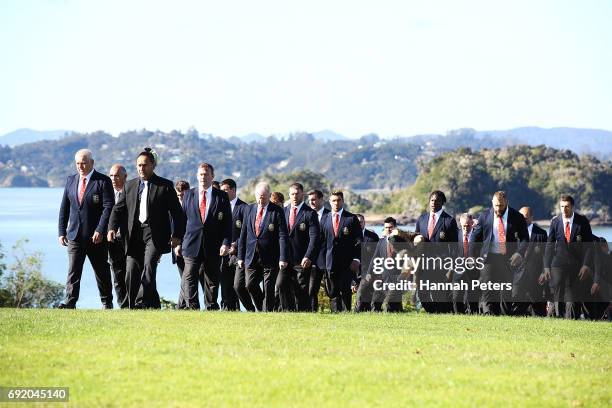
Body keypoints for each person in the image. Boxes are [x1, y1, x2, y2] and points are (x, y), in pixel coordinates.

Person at [108, 148, 184, 309]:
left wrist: (177, 235)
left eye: (145, 165)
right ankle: (134, 306)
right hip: (134, 234)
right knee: (131, 272)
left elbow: (178, 213)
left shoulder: (165, 186)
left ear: (153, 166)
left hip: (155, 235)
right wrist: (111, 228)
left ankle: (142, 303)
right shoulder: (129, 186)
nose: (141, 168)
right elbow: (118, 209)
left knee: (149, 267)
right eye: (139, 165)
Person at [58, 149, 114, 309]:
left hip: (96, 237)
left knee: (101, 271)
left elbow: (108, 207)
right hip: (74, 236)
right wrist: (61, 232)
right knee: (73, 272)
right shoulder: (70, 180)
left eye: (83, 162)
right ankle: (70, 302)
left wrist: (100, 230)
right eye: (77, 163)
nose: (80, 166)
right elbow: (64, 208)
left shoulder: (102, 181)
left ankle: (107, 303)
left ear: (92, 163)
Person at [176, 163, 232, 310]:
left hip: (213, 245)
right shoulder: (188, 194)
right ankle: (193, 307)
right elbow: (182, 221)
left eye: (206, 174)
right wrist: (177, 243)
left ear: (212, 176)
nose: (203, 177)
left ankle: (211, 306)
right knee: (189, 277)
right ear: (197, 176)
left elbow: (227, 223)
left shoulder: (222, 196)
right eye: (200, 174)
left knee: (212, 280)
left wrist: (226, 243)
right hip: (191, 244)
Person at [470, 191, 529, 315]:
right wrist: (471, 257)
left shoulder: (517, 217)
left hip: (508, 258)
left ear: (506, 202)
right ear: (492, 203)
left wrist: (519, 253)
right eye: (495, 205)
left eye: (500, 206)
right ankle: (488, 314)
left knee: (505, 290)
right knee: (487, 288)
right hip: (488, 258)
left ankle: (504, 315)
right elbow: (475, 238)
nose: (498, 209)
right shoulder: (484, 216)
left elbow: (525, 239)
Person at [237, 182, 289, 312]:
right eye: (259, 197)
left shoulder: (277, 211)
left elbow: (283, 235)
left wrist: (283, 257)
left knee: (269, 288)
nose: (261, 200)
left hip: (271, 256)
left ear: (269, 196)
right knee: (250, 285)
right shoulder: (249, 209)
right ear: (255, 195)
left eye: (264, 197)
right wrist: (240, 257)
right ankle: (262, 309)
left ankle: (267, 312)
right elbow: (243, 234)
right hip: (251, 255)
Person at [543, 195, 594, 319]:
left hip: (576, 264)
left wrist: (586, 264)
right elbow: (549, 245)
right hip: (558, 264)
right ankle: (557, 317)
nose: (564, 209)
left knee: (573, 294)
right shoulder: (555, 222)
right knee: (558, 291)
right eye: (561, 206)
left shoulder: (582, 221)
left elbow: (589, 246)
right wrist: (546, 266)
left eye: (567, 207)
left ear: (572, 207)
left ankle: (572, 318)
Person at [414, 190, 458, 313]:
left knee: (439, 295)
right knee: (422, 294)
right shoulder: (421, 219)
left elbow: (454, 249)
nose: (433, 202)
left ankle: (443, 316)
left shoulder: (449, 221)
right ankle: (432, 313)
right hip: (423, 264)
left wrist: (451, 269)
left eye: (437, 200)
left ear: (442, 203)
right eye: (432, 200)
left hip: (441, 265)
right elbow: (415, 241)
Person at [319, 191, 361, 312]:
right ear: (330, 202)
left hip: (347, 262)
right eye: (333, 200)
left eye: (338, 200)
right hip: (329, 262)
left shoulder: (351, 218)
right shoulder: (324, 218)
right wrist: (321, 262)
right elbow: (320, 242)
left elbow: (359, 241)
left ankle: (346, 312)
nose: (336, 203)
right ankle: (335, 313)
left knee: (345, 289)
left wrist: (356, 259)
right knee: (332, 291)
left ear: (342, 201)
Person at [283, 183, 320, 311]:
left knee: (301, 290)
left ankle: (304, 314)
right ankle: (289, 311)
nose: (294, 196)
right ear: (289, 195)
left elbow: (314, 237)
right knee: (283, 285)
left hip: (302, 259)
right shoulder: (283, 211)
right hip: (285, 258)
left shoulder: (309, 213)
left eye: (297, 193)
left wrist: (308, 256)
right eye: (292, 194)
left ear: (302, 194)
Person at [217, 178, 250, 311]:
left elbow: (246, 231)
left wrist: (235, 245)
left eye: (225, 190)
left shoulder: (244, 208)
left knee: (238, 285)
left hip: (238, 253)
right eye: (222, 191)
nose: (223, 193)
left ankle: (251, 309)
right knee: (225, 285)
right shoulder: (219, 207)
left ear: (233, 190)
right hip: (223, 253)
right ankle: (228, 310)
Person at [512, 206, 548, 316]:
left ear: (531, 217)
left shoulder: (541, 234)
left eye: (525, 217)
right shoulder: (513, 233)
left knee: (539, 310)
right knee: (515, 310)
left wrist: (544, 272)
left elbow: (545, 255)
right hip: (517, 277)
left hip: (536, 277)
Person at [357, 216, 395, 312]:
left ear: (395, 228)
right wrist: (369, 272)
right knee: (375, 302)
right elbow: (375, 258)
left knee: (391, 305)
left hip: (395, 277)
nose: (388, 230)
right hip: (382, 276)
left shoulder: (401, 241)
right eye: (386, 227)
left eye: (390, 227)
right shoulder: (381, 242)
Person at [107, 164, 129, 308]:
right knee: (117, 274)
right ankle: (123, 305)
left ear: (125, 177)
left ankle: (136, 303)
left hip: (130, 239)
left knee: (133, 272)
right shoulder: (107, 194)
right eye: (111, 176)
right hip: (113, 241)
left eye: (117, 175)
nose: (114, 179)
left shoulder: (133, 192)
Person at [307, 189, 329, 311]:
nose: (312, 202)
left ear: (321, 199)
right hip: (311, 260)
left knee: (331, 291)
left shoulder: (329, 215)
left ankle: (340, 314)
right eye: (310, 200)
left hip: (327, 259)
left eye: (314, 199)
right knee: (311, 290)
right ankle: (312, 314)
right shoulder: (306, 214)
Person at [451, 213, 478, 314]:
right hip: (458, 270)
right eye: (464, 226)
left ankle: (474, 316)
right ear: (460, 224)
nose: (466, 228)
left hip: (474, 270)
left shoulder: (478, 234)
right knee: (456, 296)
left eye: (468, 225)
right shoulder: (456, 234)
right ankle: (459, 315)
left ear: (472, 223)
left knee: (472, 297)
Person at [173, 180, 190, 309]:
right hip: (177, 250)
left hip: (190, 248)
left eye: (183, 195)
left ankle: (181, 306)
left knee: (187, 278)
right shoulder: (172, 208)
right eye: (178, 196)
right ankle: (184, 306)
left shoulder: (192, 207)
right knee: (184, 278)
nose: (181, 198)